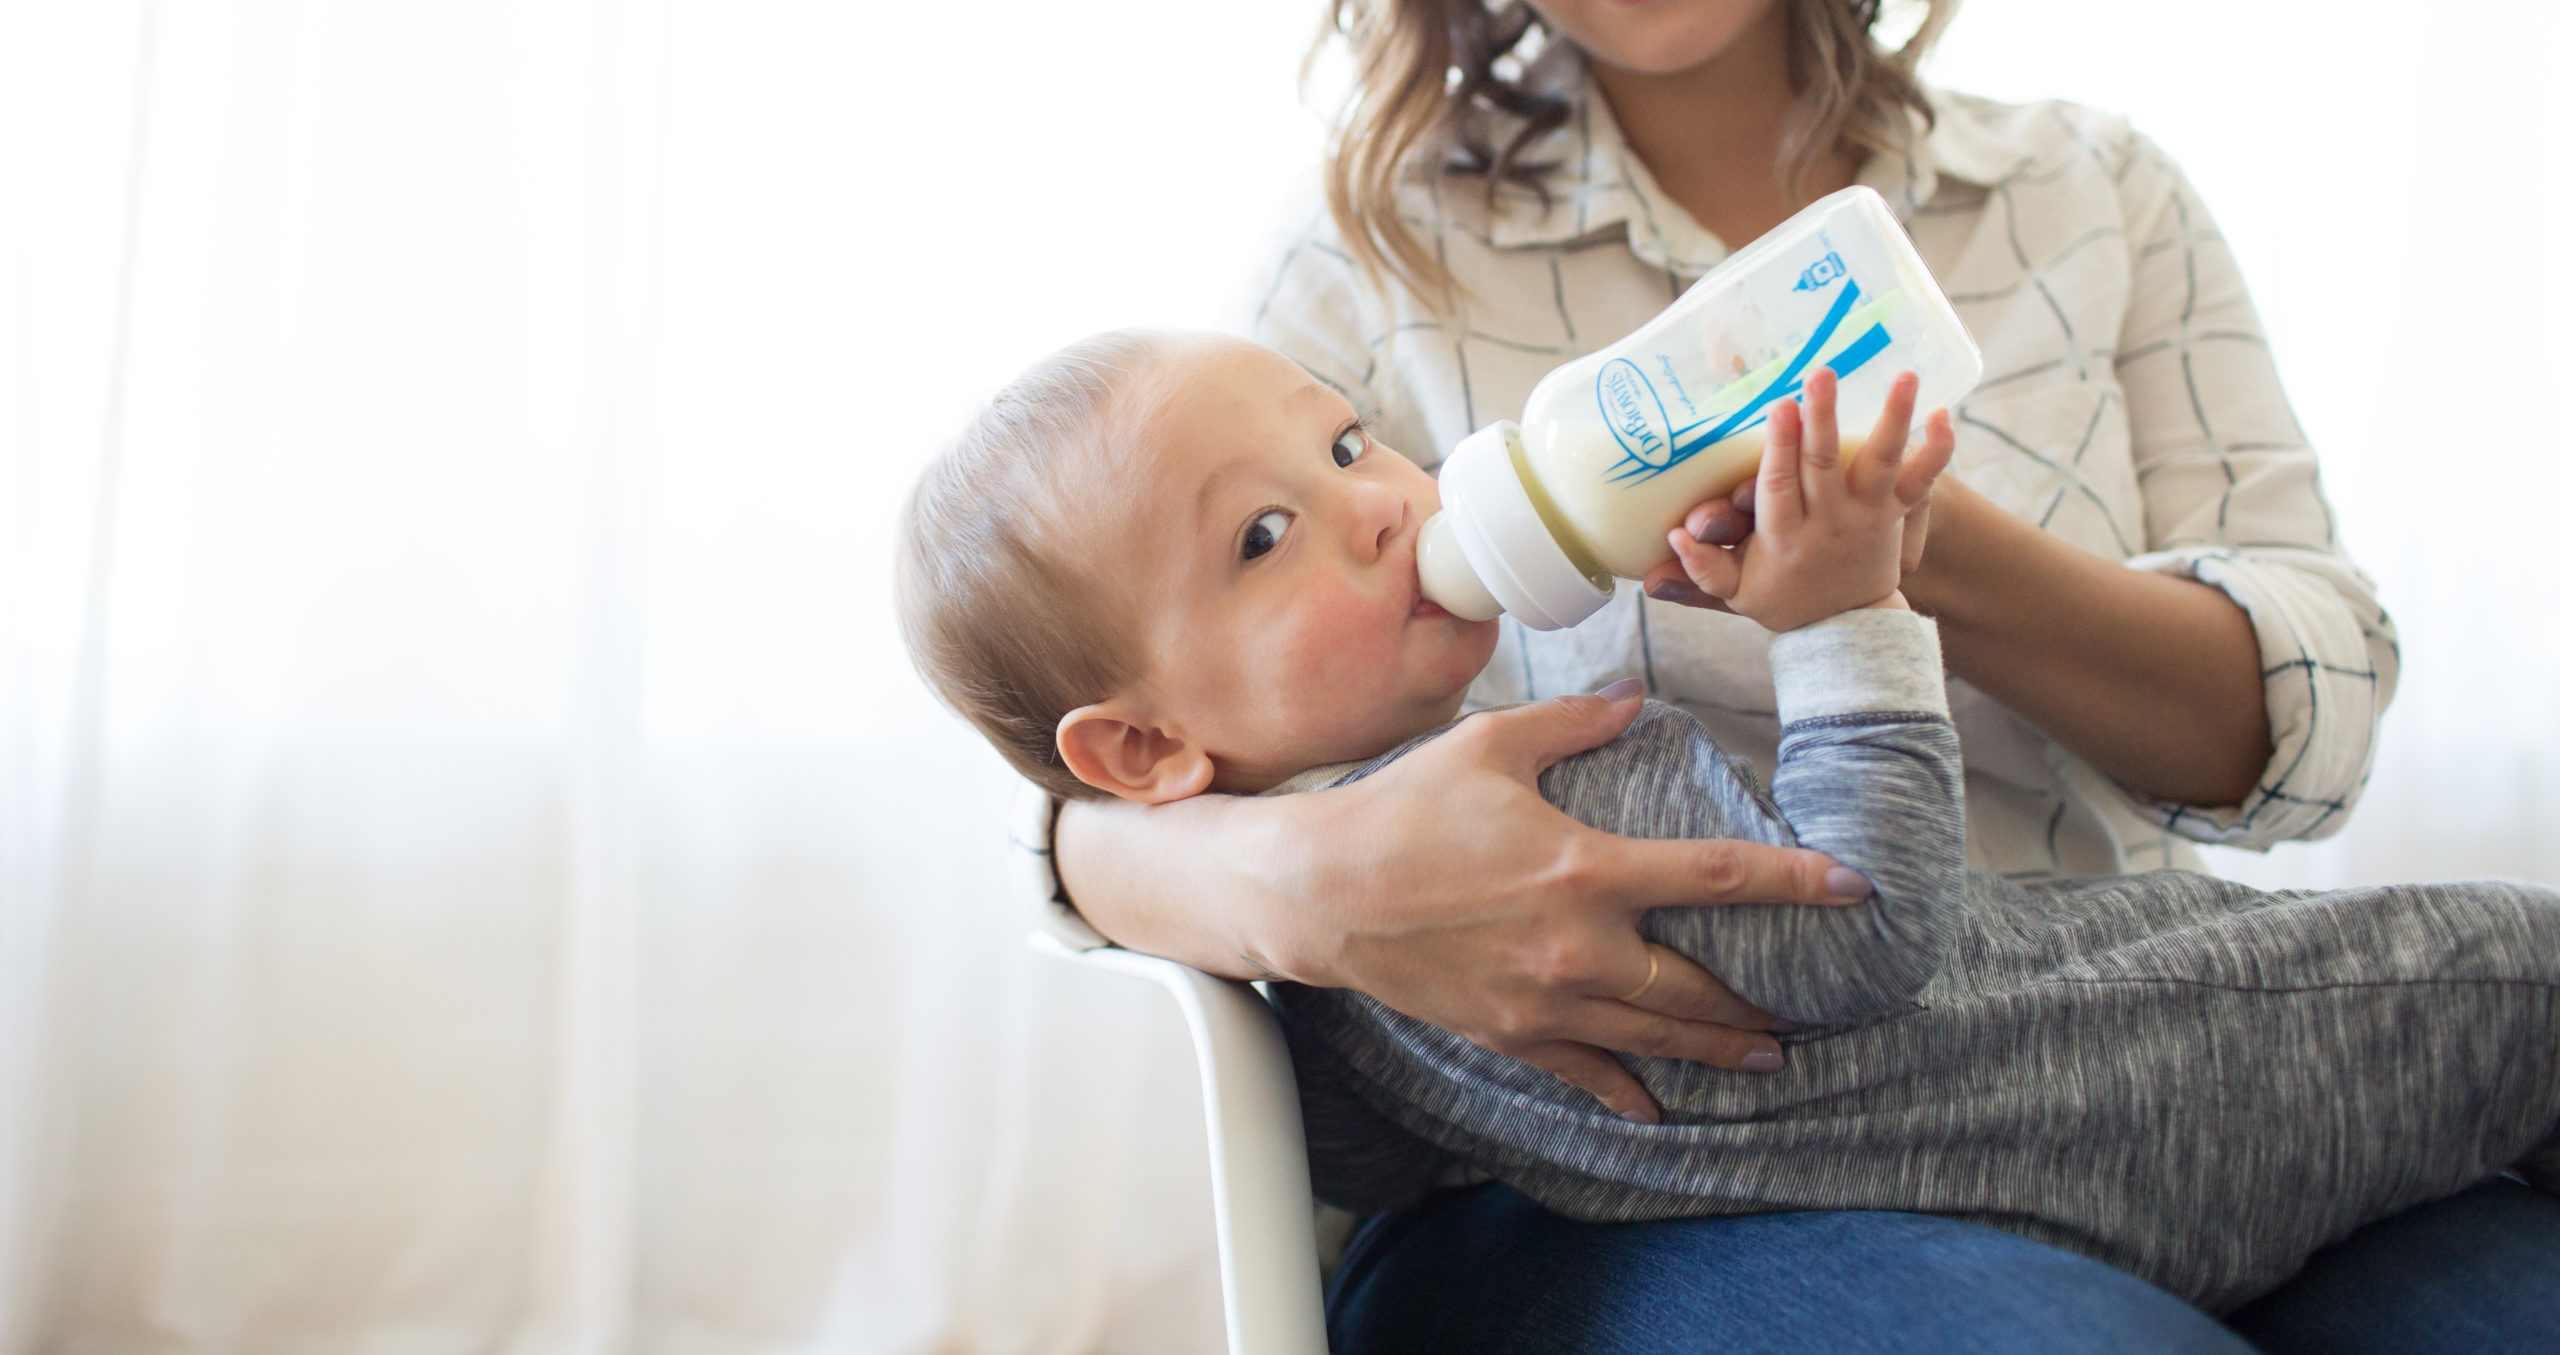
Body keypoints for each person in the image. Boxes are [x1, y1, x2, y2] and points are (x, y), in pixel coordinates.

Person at [1010, 0, 2560, 1348]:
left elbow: (2305, 730)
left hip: (2129, 1074)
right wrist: (1304, 875)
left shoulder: (2084, 198)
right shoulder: (1378, 254)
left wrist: (1898, 560)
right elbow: (1104, 741)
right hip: (1609, 1174)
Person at [904, 328, 2559, 1310]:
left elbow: (1368, 1142)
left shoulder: (1364, 971)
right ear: (1139, 749)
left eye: (1347, 438)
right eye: (1269, 533)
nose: (1382, 498)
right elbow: (1865, 928)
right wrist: (1844, 615)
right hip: (2171, 1076)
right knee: (2523, 977)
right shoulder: (1523, 804)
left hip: (2045, 1162)